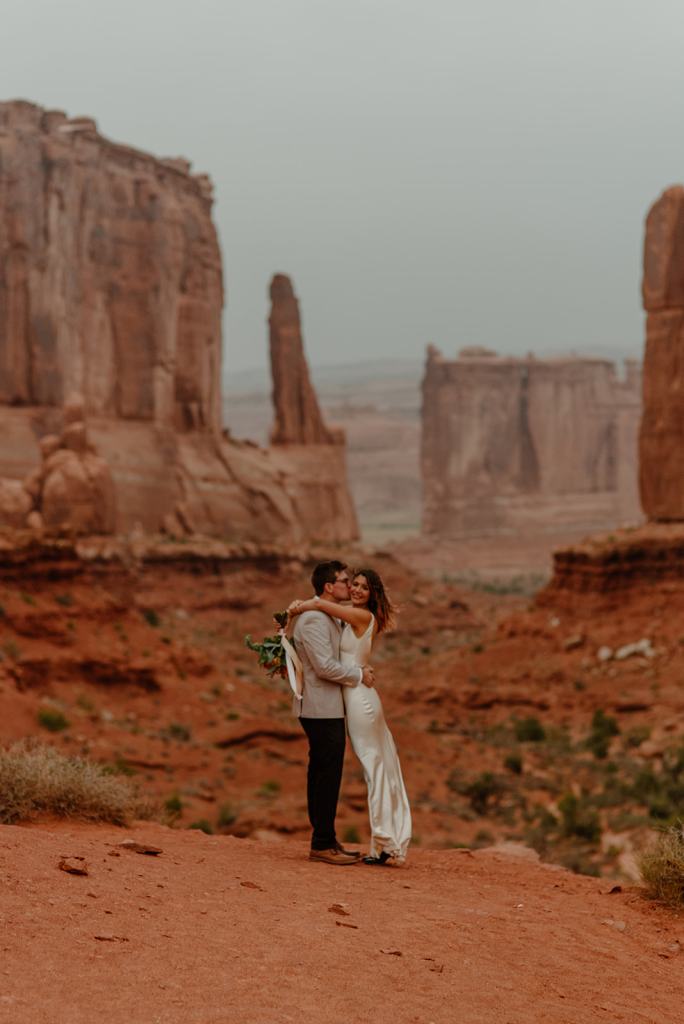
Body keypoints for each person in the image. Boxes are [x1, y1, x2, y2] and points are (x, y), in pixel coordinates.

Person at [289, 567, 411, 865]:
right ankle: (378, 840)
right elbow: (322, 610)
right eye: (352, 583)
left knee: (375, 766)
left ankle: (385, 844)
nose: (355, 589)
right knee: (375, 765)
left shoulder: (361, 615)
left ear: (373, 594)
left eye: (362, 587)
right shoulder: (348, 612)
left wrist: (295, 608)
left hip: (359, 700)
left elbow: (319, 603)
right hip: (349, 696)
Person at [291, 560, 375, 866]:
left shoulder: (325, 616)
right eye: (344, 581)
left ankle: (326, 839)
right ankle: (322, 843)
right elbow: (324, 666)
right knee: (326, 775)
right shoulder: (314, 620)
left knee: (324, 773)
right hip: (319, 709)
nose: (350, 586)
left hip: (326, 708)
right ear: (329, 586)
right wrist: (359, 674)